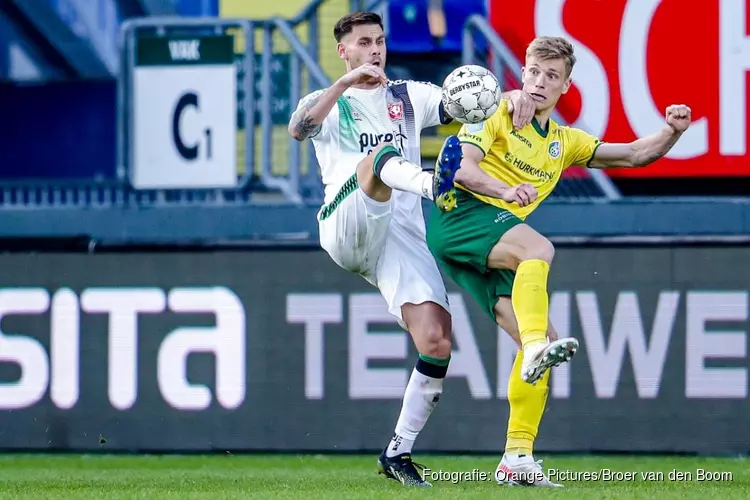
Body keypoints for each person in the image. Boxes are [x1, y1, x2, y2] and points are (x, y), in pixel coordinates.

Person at [426, 36, 692, 487]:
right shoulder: (497, 112)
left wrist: (673, 131)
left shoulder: (565, 141)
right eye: (533, 71)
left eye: (552, 76)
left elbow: (632, 154)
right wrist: (506, 191)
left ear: (565, 86)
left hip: (489, 245)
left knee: (545, 341)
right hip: (460, 216)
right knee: (539, 250)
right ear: (523, 73)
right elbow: (462, 170)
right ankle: (532, 349)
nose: (540, 81)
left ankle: (517, 459)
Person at [287, 11, 464, 487]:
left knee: (437, 339)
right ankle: (432, 186)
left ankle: (398, 452)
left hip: (398, 238)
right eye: (364, 43)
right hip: (346, 223)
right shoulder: (325, 102)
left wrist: (517, 99)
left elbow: (461, 103)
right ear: (344, 51)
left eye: (380, 42)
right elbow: (299, 130)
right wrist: (344, 84)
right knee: (379, 158)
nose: (375, 50)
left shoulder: (408, 96)